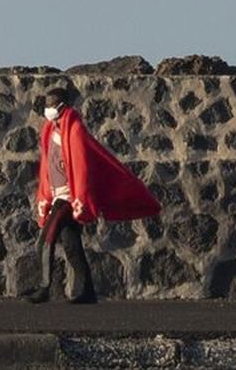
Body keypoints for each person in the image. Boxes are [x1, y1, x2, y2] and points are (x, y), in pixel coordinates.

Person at [28, 86, 161, 304]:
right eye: (46, 104)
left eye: (51, 105)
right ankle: (87, 290)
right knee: (71, 244)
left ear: (62, 106)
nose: (48, 109)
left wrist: (79, 198)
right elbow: (48, 166)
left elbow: (81, 167)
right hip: (58, 195)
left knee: (46, 238)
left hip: (69, 197)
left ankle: (44, 287)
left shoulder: (74, 130)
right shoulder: (50, 131)